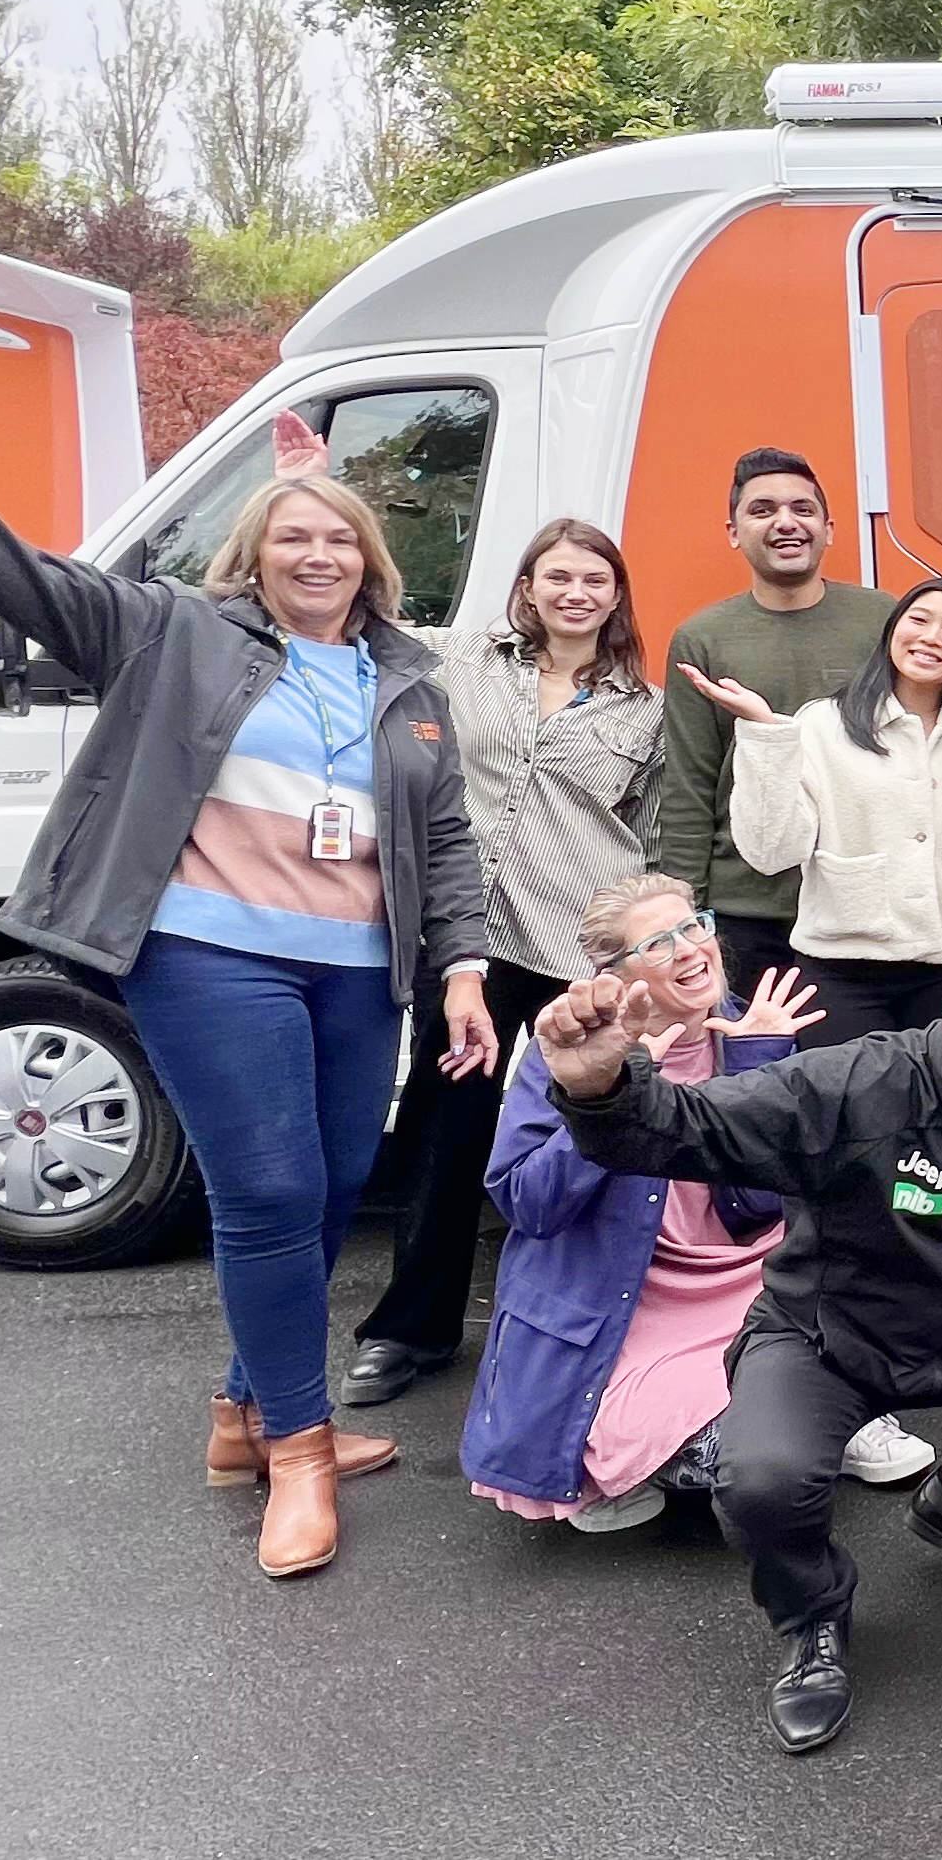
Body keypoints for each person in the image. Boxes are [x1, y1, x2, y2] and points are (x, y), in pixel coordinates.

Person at [0, 318, 494, 1580]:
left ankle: (245, 1413)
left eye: (340, 537)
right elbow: (11, 572)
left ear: (372, 558)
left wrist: (456, 968)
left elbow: (442, 839)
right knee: (271, 1194)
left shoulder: (409, 681)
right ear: (256, 551)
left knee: (338, 1187)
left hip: (356, 972)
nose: (320, 552)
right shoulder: (174, 631)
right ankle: (297, 1444)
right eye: (295, 534)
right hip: (210, 957)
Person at [529, 931, 942, 1753]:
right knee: (761, 1480)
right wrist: (601, 1089)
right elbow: (688, 1129)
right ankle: (813, 1621)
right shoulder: (857, 1083)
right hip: (830, 1337)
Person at [342, 519, 667, 1411]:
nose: (575, 593)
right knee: (444, 1132)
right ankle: (411, 1330)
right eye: (557, 576)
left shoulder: (646, 709)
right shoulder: (462, 660)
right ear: (528, 586)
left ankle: (602, 1329)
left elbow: (646, 837)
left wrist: (641, 951)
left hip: (575, 946)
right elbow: (363, 608)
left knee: (585, 1135)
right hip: (465, 946)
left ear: (615, 594)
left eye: (594, 579)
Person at [463, 875, 814, 1532]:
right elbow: (529, 1204)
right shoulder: (569, 1051)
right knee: (733, 1457)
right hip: (625, 1304)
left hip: (746, 1286)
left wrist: (757, 1062)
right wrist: (606, 1101)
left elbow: (757, 1207)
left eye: (693, 927)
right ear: (615, 974)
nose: (688, 951)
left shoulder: (750, 1028)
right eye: (658, 943)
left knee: (808, 1408)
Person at [697, 575, 942, 1047]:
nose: (931, 638)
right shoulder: (823, 723)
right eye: (918, 620)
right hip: (842, 967)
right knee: (848, 1112)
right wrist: (765, 735)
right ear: (892, 630)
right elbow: (771, 852)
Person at [655, 448, 901, 999]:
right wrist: (683, 907)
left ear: (829, 529)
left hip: (858, 904)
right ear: (734, 531)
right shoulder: (703, 638)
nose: (786, 522)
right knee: (750, 1071)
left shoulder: (883, 620)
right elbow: (691, 783)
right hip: (747, 908)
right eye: (762, 510)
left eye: (803, 509)